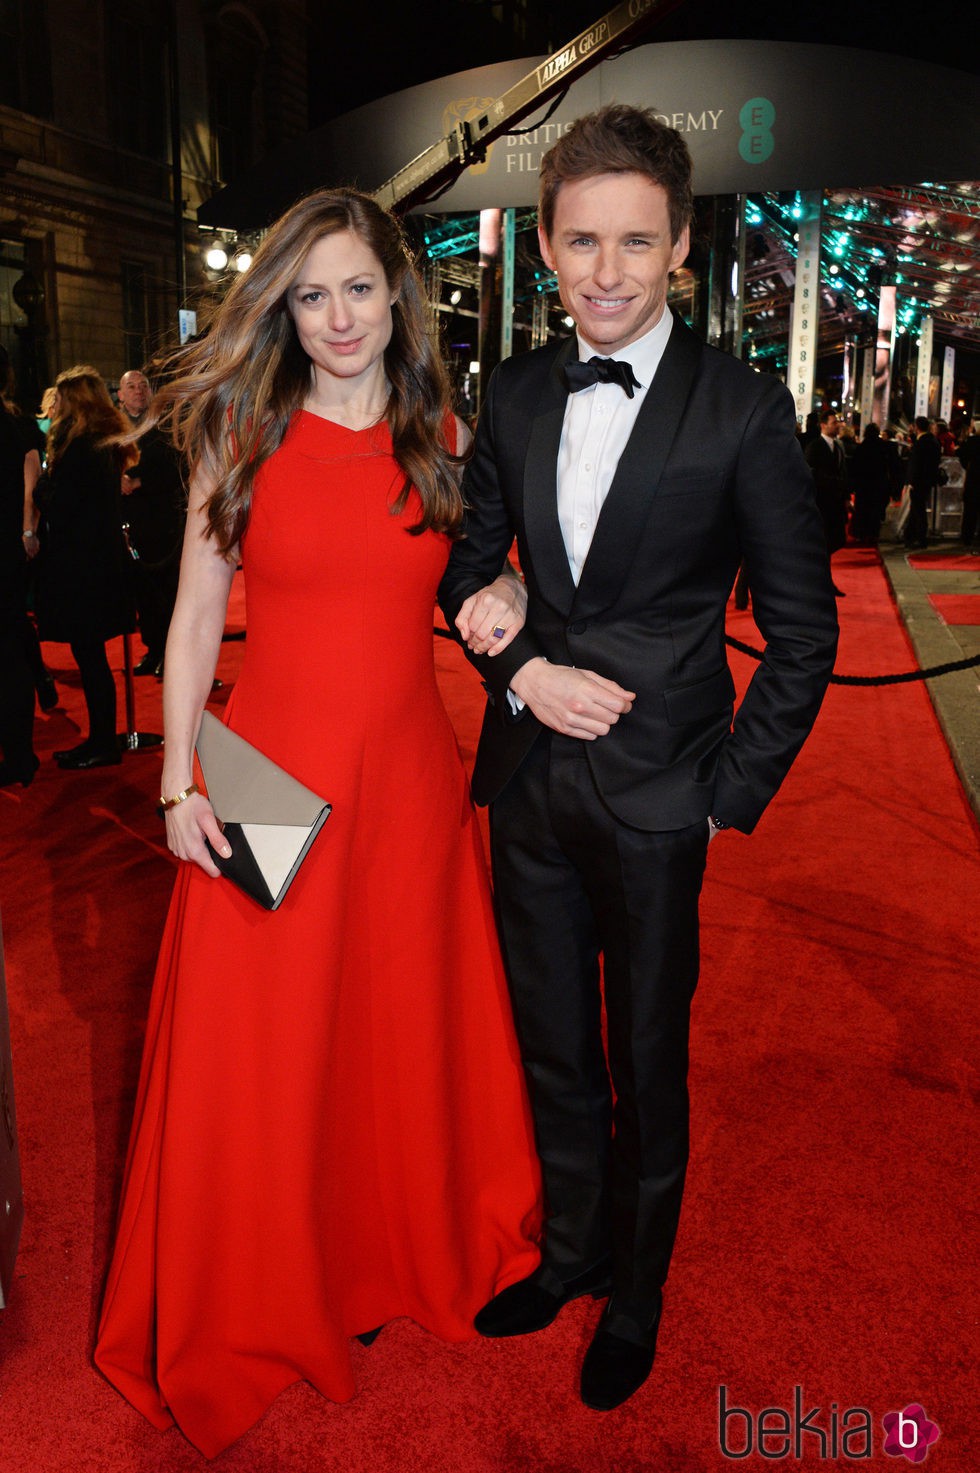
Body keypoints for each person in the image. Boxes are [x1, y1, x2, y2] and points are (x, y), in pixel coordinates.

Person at [94, 187, 541, 1458]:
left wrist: (504, 595)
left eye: (358, 289)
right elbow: (192, 619)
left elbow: (481, 577)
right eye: (310, 294)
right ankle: (268, 1289)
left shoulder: (439, 429)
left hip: (404, 778)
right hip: (266, 784)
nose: (338, 318)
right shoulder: (239, 425)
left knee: (389, 1032)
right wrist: (178, 782)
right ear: (281, 307)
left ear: (397, 293)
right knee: (267, 1050)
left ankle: (380, 1254)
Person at [438, 104, 839, 1414]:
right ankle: (570, 1253)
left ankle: (642, 1295)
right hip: (529, 789)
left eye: (636, 242)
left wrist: (728, 797)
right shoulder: (510, 391)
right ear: (547, 247)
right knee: (552, 1046)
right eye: (581, 241)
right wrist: (509, 659)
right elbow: (465, 565)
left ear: (676, 248)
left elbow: (804, 630)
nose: (605, 269)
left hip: (666, 798)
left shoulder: (742, 409)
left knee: (647, 1061)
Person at [34, 365, 135, 769]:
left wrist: (41, 484)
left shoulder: (81, 447)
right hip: (101, 563)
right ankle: (101, 740)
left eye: (61, 399)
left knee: (90, 657)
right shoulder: (107, 443)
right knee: (93, 657)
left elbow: (59, 503)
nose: (54, 407)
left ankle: (101, 743)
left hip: (82, 567)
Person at [117, 368, 185, 676]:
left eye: (143, 385)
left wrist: (139, 481)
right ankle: (153, 649)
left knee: (167, 590)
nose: (139, 391)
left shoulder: (163, 425)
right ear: (120, 394)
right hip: (129, 521)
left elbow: (174, 466)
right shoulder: (112, 427)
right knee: (143, 592)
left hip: (160, 518)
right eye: (131, 386)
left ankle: (170, 655)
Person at [0, 389, 45, 785]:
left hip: (8, 555)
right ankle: (18, 754)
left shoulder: (16, 429)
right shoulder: (17, 428)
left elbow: (32, 488)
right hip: (11, 555)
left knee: (9, 658)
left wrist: (27, 529)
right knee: (12, 650)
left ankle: (18, 756)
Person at [804, 407, 849, 594]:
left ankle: (822, 581)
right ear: (823, 425)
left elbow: (844, 472)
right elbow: (809, 473)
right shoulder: (815, 447)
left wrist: (846, 496)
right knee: (822, 544)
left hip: (836, 503)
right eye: (833, 422)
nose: (837, 425)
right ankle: (820, 582)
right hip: (821, 503)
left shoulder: (838, 447)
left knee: (835, 540)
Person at [849, 422, 891, 544]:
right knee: (876, 510)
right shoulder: (883, 447)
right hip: (878, 483)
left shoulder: (861, 448)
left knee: (863, 509)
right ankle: (873, 533)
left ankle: (862, 533)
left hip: (863, 484)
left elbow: (855, 467)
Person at [904, 415, 941, 549]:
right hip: (927, 481)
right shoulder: (933, 441)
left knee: (918, 510)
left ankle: (920, 538)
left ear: (916, 427)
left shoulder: (921, 443)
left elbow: (916, 464)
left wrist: (911, 481)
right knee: (917, 509)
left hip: (919, 481)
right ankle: (911, 536)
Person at [957, 420, 980, 551]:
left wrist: (967, 465)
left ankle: (967, 537)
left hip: (974, 478)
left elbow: (961, 454)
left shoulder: (971, 442)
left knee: (970, 510)